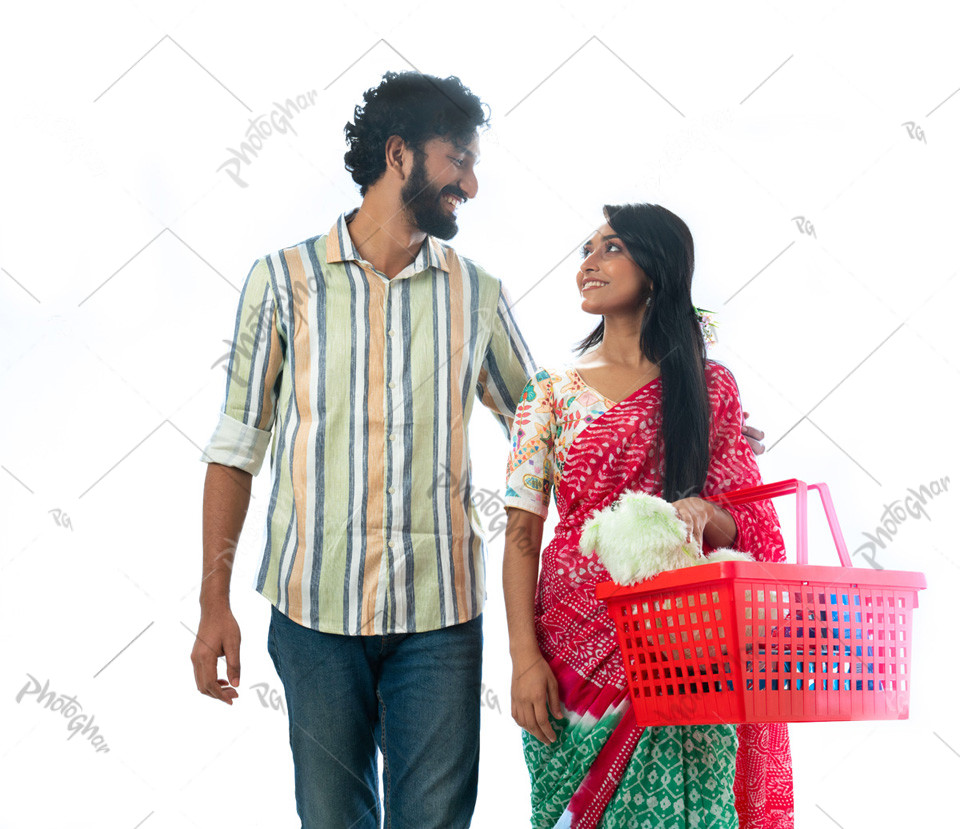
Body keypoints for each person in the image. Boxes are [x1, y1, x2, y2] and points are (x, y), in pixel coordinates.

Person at [189, 71, 538, 828]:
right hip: (313, 614)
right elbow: (237, 443)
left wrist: (664, 418)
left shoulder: (476, 293)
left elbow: (544, 426)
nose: (471, 184)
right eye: (458, 160)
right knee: (332, 819)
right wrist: (213, 600)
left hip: (439, 620)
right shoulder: (283, 282)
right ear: (399, 154)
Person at [502, 203, 794, 828]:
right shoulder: (549, 391)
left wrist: (703, 511)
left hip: (690, 646)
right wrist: (523, 661)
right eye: (586, 250)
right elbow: (523, 533)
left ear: (656, 270)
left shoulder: (708, 388)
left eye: (611, 249)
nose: (589, 264)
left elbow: (753, 531)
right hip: (575, 642)